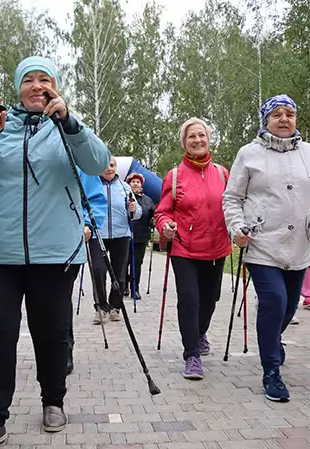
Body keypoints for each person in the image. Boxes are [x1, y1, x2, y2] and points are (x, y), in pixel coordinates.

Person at [0, 56, 109, 448]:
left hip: (55, 254)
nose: (37, 86)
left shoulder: (68, 127)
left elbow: (98, 162)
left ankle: (53, 400)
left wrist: (70, 124)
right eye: (28, 80)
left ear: (55, 86)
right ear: (18, 88)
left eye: (44, 80)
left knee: (52, 334)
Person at [222, 94, 310, 402]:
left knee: (289, 306)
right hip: (261, 241)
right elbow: (232, 197)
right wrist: (237, 227)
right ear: (266, 119)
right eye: (277, 114)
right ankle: (271, 370)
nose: (284, 119)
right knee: (274, 300)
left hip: (299, 244)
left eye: (290, 113)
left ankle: (272, 339)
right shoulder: (249, 153)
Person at [154, 117, 232, 380]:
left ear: (209, 139)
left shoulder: (222, 173)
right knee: (189, 298)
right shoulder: (175, 176)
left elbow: (233, 205)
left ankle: (199, 333)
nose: (198, 140)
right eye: (192, 137)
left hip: (217, 247)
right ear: (184, 143)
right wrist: (165, 226)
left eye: (202, 135)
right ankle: (192, 356)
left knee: (210, 300)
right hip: (184, 248)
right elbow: (162, 211)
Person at [89, 156, 141, 324]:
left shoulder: (125, 187)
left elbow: (137, 213)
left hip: (121, 235)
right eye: (105, 165)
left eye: (112, 165)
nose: (109, 168)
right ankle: (101, 307)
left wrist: (133, 209)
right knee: (98, 270)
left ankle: (115, 306)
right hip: (99, 235)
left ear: (116, 167)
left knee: (119, 274)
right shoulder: (93, 186)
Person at [68, 172, 108, 375]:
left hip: (66, 239)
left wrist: (87, 222)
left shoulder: (75, 152)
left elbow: (93, 198)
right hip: (23, 243)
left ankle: (63, 350)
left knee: (59, 297)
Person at [125, 172, 155, 300]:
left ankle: (135, 288)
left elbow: (152, 214)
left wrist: (153, 221)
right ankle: (124, 286)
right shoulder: (124, 197)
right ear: (129, 184)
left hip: (141, 237)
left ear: (141, 185)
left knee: (137, 263)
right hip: (126, 236)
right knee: (124, 263)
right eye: (133, 182)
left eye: (138, 182)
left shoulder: (147, 200)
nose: (135, 184)